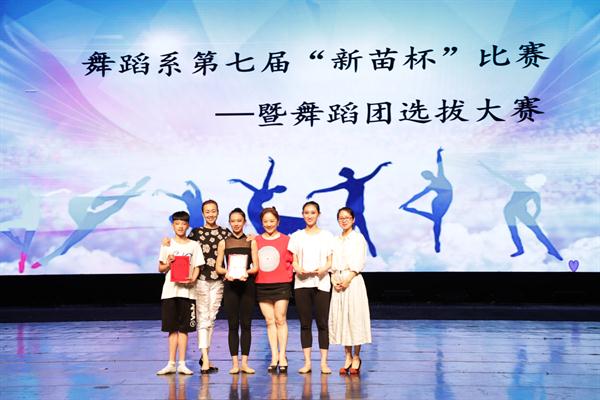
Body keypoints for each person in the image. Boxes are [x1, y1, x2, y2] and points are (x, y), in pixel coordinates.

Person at [479, 162, 562, 260]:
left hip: (517, 211)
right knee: (516, 231)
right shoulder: (524, 188)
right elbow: (500, 176)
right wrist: (485, 167)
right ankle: (521, 250)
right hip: (509, 211)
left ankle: (551, 250)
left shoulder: (532, 192)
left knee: (532, 232)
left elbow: (538, 208)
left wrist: (533, 218)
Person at [307, 161, 391, 257]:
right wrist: (315, 191)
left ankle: (366, 252)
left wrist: (380, 166)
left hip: (354, 213)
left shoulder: (354, 182)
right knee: (358, 235)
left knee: (358, 235)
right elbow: (331, 188)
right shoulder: (354, 182)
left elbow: (372, 174)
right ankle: (349, 254)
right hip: (352, 212)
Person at [288, 201, 334, 374]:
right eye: (306, 213)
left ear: (318, 214)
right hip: (302, 283)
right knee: (305, 324)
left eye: (312, 212)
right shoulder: (297, 236)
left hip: (321, 282)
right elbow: (293, 260)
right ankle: (307, 362)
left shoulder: (327, 235)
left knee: (322, 323)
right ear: (302, 215)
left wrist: (323, 269)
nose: (309, 216)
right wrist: (298, 268)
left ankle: (323, 363)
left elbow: (330, 260)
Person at [156, 211, 204, 375]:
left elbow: (197, 266)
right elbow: (161, 268)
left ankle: (182, 363)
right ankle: (171, 363)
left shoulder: (194, 245)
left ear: (187, 225)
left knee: (184, 329)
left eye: (183, 224)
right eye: (177, 224)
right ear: (173, 226)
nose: (180, 227)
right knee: (172, 329)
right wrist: (169, 263)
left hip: (188, 292)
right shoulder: (167, 244)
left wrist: (193, 279)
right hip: (170, 292)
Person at [187, 200, 230, 373]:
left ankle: (205, 356)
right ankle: (205, 359)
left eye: (213, 211)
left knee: (211, 318)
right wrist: (168, 243)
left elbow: (238, 248)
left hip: (219, 280)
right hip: (201, 280)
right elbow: (184, 248)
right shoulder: (196, 233)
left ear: (218, 212)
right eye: (207, 211)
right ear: (203, 213)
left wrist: (251, 239)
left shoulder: (225, 233)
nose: (211, 214)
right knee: (203, 318)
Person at [215, 208, 259, 374]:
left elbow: (256, 267)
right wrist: (227, 272)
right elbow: (218, 267)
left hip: (247, 285)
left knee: (246, 324)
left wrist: (246, 272)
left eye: (239, 221)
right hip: (231, 286)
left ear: (244, 222)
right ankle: (235, 364)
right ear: (229, 222)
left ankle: (245, 363)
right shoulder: (224, 243)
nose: (236, 224)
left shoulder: (251, 242)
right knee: (232, 325)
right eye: (233, 221)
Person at [329, 207, 372, 375]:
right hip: (338, 280)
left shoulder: (358, 238)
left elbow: (359, 261)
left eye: (347, 217)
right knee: (342, 319)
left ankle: (356, 356)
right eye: (341, 218)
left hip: (352, 281)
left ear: (353, 219)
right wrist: (334, 279)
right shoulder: (335, 240)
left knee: (354, 317)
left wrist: (348, 279)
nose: (344, 220)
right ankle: (347, 355)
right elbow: (332, 262)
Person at [255, 207, 294, 374]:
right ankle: (274, 357)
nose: (269, 224)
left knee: (280, 319)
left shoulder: (287, 240)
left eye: (272, 221)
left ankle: (283, 356)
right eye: (265, 221)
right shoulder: (255, 240)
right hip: (262, 284)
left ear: (278, 222)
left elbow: (294, 261)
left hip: (282, 284)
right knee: (269, 321)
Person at [400, 148, 452, 253]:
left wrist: (438, 153)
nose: (427, 176)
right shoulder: (431, 185)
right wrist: (406, 202)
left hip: (445, 199)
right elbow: (418, 195)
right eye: (425, 176)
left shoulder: (440, 176)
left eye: (427, 175)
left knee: (436, 220)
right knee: (437, 221)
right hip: (438, 201)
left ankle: (415, 211)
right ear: (427, 178)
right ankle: (437, 241)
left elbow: (439, 164)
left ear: (431, 174)